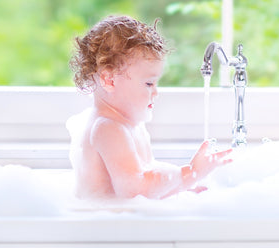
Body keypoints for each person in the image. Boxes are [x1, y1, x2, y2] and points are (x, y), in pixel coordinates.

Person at [67, 15, 232, 200]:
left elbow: (147, 183)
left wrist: (180, 188)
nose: (156, 92)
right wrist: (190, 173)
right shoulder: (108, 128)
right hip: (105, 226)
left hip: (119, 221)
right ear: (109, 80)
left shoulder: (130, 126)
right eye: (148, 84)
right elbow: (135, 190)